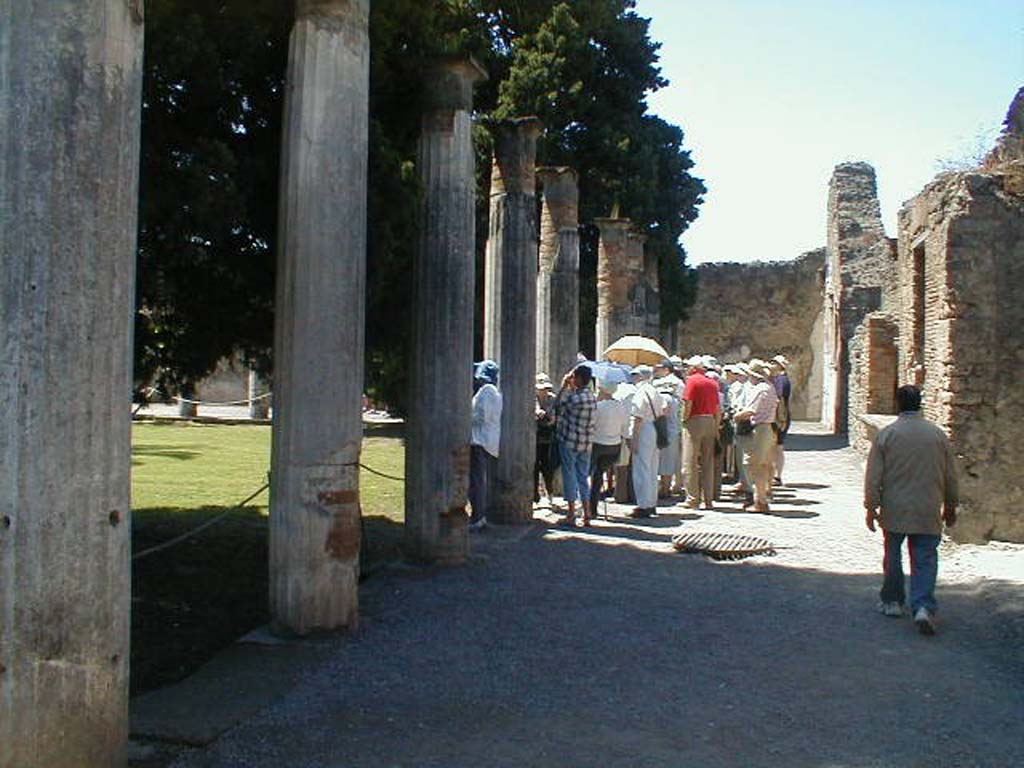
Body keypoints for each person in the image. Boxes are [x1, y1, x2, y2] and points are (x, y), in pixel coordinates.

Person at [865, 385, 959, 635]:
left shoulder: (887, 435)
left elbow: (873, 477)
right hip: (928, 506)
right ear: (920, 404)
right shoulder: (937, 435)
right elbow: (950, 475)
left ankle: (893, 601)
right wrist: (951, 504)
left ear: (897, 404)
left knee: (893, 555)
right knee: (925, 557)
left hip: (895, 506)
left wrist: (871, 506)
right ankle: (923, 605)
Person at [553, 363, 597, 526]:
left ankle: (571, 513)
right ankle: (587, 513)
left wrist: (564, 385)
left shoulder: (574, 398)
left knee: (569, 475)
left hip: (570, 440)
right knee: (583, 477)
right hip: (586, 442)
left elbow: (557, 405)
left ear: (578, 378)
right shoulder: (591, 396)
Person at [734, 360, 778, 513]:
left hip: (759, 429)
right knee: (763, 465)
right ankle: (762, 497)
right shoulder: (770, 387)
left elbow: (751, 411)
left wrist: (736, 416)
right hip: (767, 428)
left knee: (755, 465)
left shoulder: (760, 389)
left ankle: (760, 501)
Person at [681, 355, 721, 510]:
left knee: (690, 461)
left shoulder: (691, 381)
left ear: (693, 368)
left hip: (695, 420)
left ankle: (692, 498)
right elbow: (717, 408)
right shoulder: (712, 383)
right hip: (710, 420)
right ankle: (708, 499)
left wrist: (684, 419)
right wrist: (716, 427)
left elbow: (688, 403)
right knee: (707, 461)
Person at [589, 379, 631, 520]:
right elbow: (625, 427)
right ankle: (593, 507)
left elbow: (591, 424)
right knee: (600, 474)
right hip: (614, 446)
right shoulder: (620, 406)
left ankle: (591, 508)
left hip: (598, 444)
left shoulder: (598, 406)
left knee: (593, 475)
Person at [469, 360, 502, 531]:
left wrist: (465, 415)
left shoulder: (487, 391)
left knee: (477, 481)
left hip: (480, 441)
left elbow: (482, 416)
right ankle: (479, 515)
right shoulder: (493, 392)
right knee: (479, 480)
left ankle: (478, 516)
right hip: (485, 441)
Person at [629, 365, 665, 518]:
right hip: (654, 428)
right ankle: (651, 503)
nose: (633, 378)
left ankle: (643, 505)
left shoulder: (641, 392)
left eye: (635, 375)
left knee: (642, 468)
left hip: (644, 429)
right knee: (652, 468)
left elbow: (638, 417)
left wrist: (634, 439)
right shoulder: (654, 390)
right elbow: (664, 409)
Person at [654, 360, 684, 498]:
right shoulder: (679, 384)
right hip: (673, 427)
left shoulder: (656, 384)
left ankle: (663, 488)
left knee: (660, 458)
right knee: (670, 458)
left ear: (666, 369)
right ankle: (667, 487)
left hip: (658, 427)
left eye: (660, 368)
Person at [534, 373, 557, 504]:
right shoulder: (532, 398)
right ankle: (535, 496)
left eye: (546, 388)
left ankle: (550, 493)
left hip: (548, 438)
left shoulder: (552, 399)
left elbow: (554, 417)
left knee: (548, 468)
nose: (544, 391)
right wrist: (537, 413)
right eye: (541, 389)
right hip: (534, 437)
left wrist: (550, 418)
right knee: (534, 467)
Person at [770, 354, 792, 485]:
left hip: (779, 416)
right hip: (781, 415)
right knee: (777, 446)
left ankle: (776, 476)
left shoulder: (781, 380)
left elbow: (780, 399)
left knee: (777, 447)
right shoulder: (783, 379)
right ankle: (776, 475)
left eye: (774, 363)